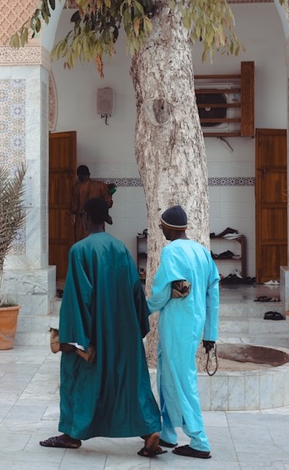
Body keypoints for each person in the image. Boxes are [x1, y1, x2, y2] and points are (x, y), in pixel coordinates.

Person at [40, 197, 163, 457]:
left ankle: (72, 434)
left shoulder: (79, 250)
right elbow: (136, 290)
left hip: (93, 333)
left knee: (77, 375)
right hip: (123, 331)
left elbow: (77, 297)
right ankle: (149, 430)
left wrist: (73, 338)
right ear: (105, 218)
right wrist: (136, 327)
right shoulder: (121, 249)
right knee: (128, 382)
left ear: (85, 217)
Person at [147, 205, 220, 460]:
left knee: (182, 380)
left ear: (170, 227)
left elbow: (162, 292)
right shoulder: (202, 252)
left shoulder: (172, 251)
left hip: (177, 325)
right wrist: (210, 334)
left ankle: (199, 440)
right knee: (167, 377)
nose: (160, 229)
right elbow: (213, 293)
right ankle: (167, 432)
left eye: (161, 226)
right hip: (194, 324)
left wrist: (143, 310)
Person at [69, 165, 113, 243]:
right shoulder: (101, 185)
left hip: (82, 225)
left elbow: (74, 208)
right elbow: (109, 203)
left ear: (79, 175)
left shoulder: (76, 188)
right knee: (98, 245)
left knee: (82, 246)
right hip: (98, 223)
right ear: (89, 174)